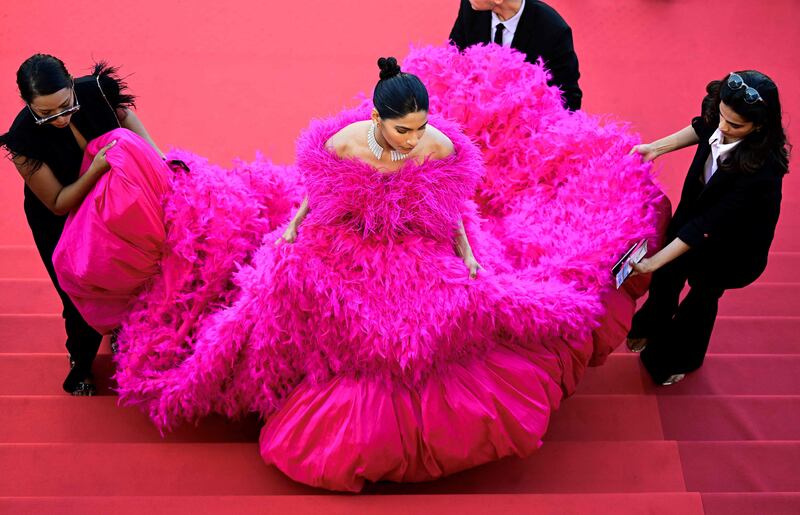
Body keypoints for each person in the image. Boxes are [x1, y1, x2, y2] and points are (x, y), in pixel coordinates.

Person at [114, 51, 663, 492]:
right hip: (346, 238)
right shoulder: (345, 143)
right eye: (404, 130)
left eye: (421, 127)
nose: (414, 139)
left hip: (419, 241)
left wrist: (469, 258)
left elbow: (452, 215)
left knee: (456, 306)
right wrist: (292, 229)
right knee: (292, 286)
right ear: (377, 121)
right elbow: (315, 195)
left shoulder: (439, 145)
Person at [0, 54, 167, 396]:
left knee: (134, 271)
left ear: (72, 87)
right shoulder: (22, 140)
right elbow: (58, 202)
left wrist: (158, 159)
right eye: (45, 114)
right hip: (61, 217)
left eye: (65, 106)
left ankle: (125, 333)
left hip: (115, 205)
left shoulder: (95, 92)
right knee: (78, 290)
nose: (59, 119)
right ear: (28, 105)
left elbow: (125, 117)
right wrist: (96, 170)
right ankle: (81, 363)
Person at [626, 71, 788, 385]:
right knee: (666, 277)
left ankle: (677, 359)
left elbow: (707, 226)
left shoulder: (762, 174)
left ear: (760, 126)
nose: (724, 128)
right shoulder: (721, 115)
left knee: (700, 299)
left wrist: (655, 260)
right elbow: (703, 126)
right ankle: (649, 326)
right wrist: (656, 148)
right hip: (696, 212)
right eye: (723, 117)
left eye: (735, 125)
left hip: (732, 246)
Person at [449, 0, 582, 110]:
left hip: (525, 127)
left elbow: (569, 96)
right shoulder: (471, 8)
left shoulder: (553, 30)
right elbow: (452, 58)